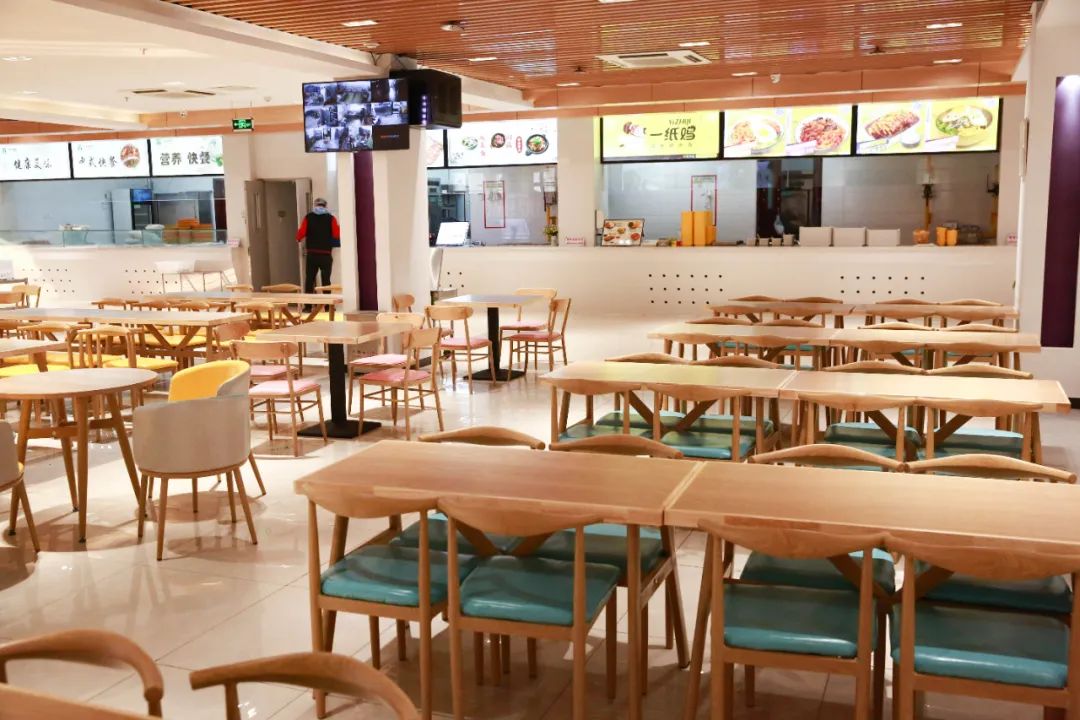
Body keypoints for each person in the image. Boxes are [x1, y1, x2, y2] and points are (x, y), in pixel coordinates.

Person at [296, 198, 340, 293]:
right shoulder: (331, 218)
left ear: (315, 206)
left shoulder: (308, 217)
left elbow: (301, 233)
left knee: (309, 280)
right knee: (326, 281)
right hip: (325, 255)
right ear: (325, 206)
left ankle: (308, 302)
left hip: (312, 255)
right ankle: (327, 302)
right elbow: (336, 235)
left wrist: (298, 238)